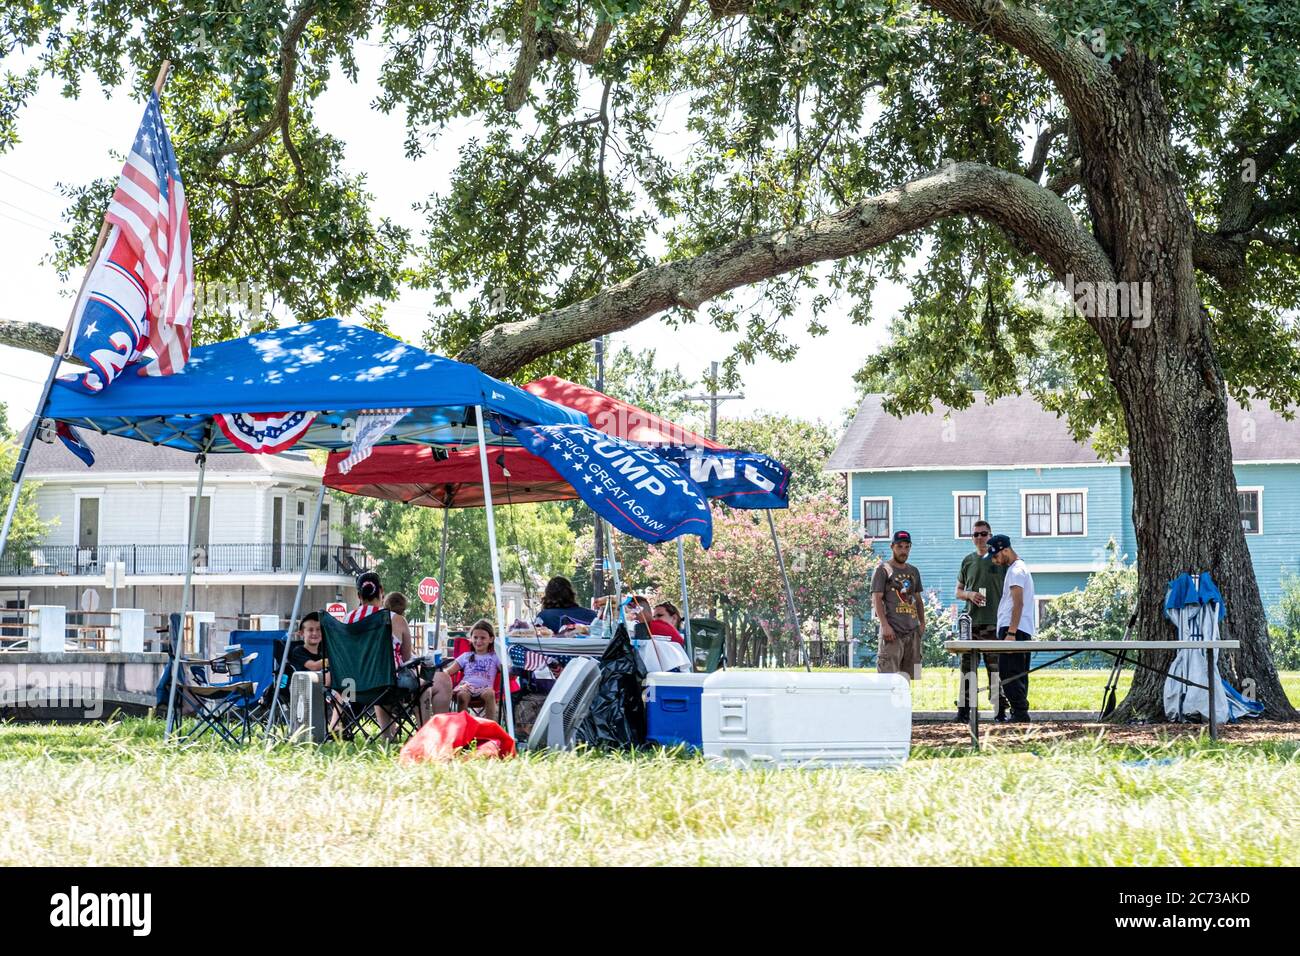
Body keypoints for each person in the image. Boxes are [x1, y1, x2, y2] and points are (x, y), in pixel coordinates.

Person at [349, 571, 452, 731]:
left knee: (384, 680)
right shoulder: (395, 619)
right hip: (390, 685)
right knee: (435, 682)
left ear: (358, 595)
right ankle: (427, 736)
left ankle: (387, 737)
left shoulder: (346, 620)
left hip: (355, 687)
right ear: (381, 591)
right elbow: (406, 658)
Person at [954, 520, 1007, 721]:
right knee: (967, 669)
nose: (979, 538)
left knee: (995, 669)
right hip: (971, 624)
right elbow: (957, 591)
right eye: (975, 534)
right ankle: (963, 710)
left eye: (983, 534)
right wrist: (970, 595)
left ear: (990, 536)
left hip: (994, 622)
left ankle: (1000, 710)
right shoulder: (967, 561)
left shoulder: (999, 560)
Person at [987, 534, 1036, 722]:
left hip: (1014, 630)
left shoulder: (1016, 571)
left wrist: (1011, 633)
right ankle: (1019, 712)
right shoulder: (1018, 569)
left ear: (1005, 550)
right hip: (1017, 629)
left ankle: (1020, 713)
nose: (995, 561)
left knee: (1009, 673)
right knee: (1017, 672)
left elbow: (1018, 604)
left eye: (996, 556)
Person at [871, 530, 924, 681]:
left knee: (909, 679)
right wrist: (884, 625)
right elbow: (877, 599)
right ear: (892, 547)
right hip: (892, 633)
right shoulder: (883, 570)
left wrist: (922, 623)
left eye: (907, 547)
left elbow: (918, 599)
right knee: (888, 680)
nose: (903, 551)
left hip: (912, 632)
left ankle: (905, 705)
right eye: (900, 547)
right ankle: (888, 706)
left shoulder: (913, 571)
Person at [443, 619, 501, 723]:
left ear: (491, 639)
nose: (478, 641)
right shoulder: (466, 656)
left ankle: (490, 727)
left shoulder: (495, 657)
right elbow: (449, 671)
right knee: (461, 695)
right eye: (475, 637)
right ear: (471, 638)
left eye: (483, 638)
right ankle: (463, 726)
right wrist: (441, 674)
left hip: (485, 688)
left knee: (490, 694)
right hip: (467, 686)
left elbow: (505, 671)